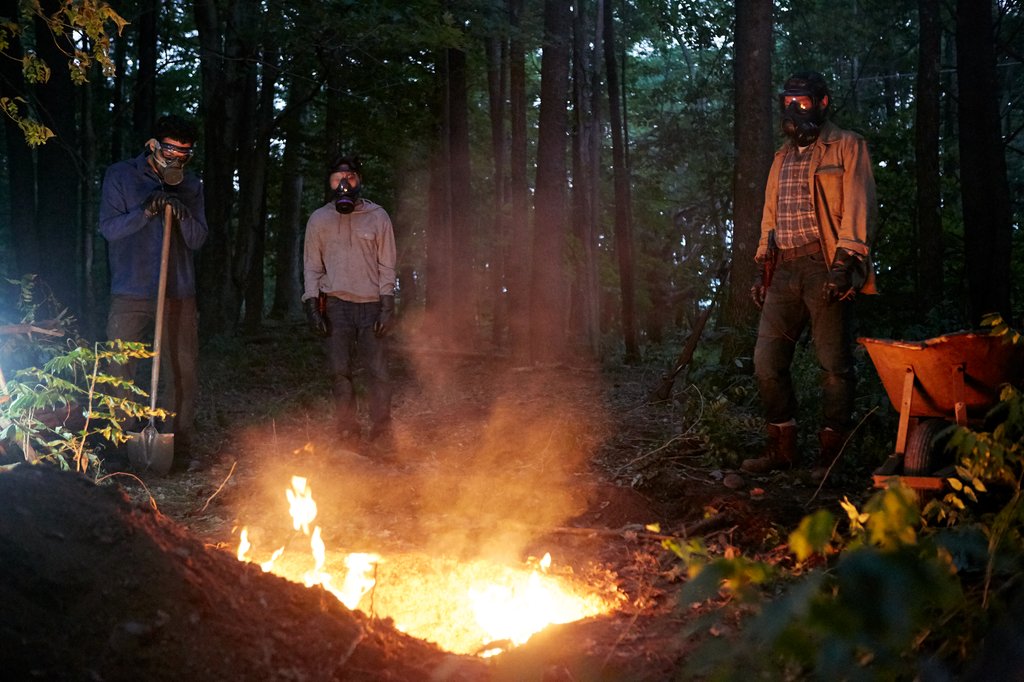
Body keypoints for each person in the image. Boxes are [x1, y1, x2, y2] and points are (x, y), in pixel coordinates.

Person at [742, 71, 878, 481]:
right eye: (787, 103)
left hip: (825, 264)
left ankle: (830, 456)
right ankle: (782, 450)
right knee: (766, 362)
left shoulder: (847, 146)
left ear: (822, 102)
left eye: (801, 103)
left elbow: (860, 204)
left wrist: (845, 263)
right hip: (784, 269)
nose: (793, 111)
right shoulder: (781, 157)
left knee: (834, 365)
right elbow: (772, 214)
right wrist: (764, 264)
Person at [100, 114, 208, 472]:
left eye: (184, 155)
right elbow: (110, 229)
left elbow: (197, 239)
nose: (176, 161)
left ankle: (177, 443)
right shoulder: (121, 176)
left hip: (178, 290)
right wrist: (146, 211)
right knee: (120, 366)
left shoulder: (190, 185)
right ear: (153, 146)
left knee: (182, 369)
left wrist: (182, 214)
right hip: (131, 289)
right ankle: (121, 443)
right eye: (170, 152)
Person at [302, 156, 397, 451]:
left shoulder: (378, 216)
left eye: (350, 178)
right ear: (329, 183)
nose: (344, 184)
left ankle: (382, 432)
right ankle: (347, 430)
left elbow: (387, 264)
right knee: (339, 370)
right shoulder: (319, 219)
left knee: (377, 371)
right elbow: (312, 267)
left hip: (370, 304)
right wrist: (312, 304)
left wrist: (387, 304)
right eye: (336, 179)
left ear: (359, 180)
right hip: (336, 305)